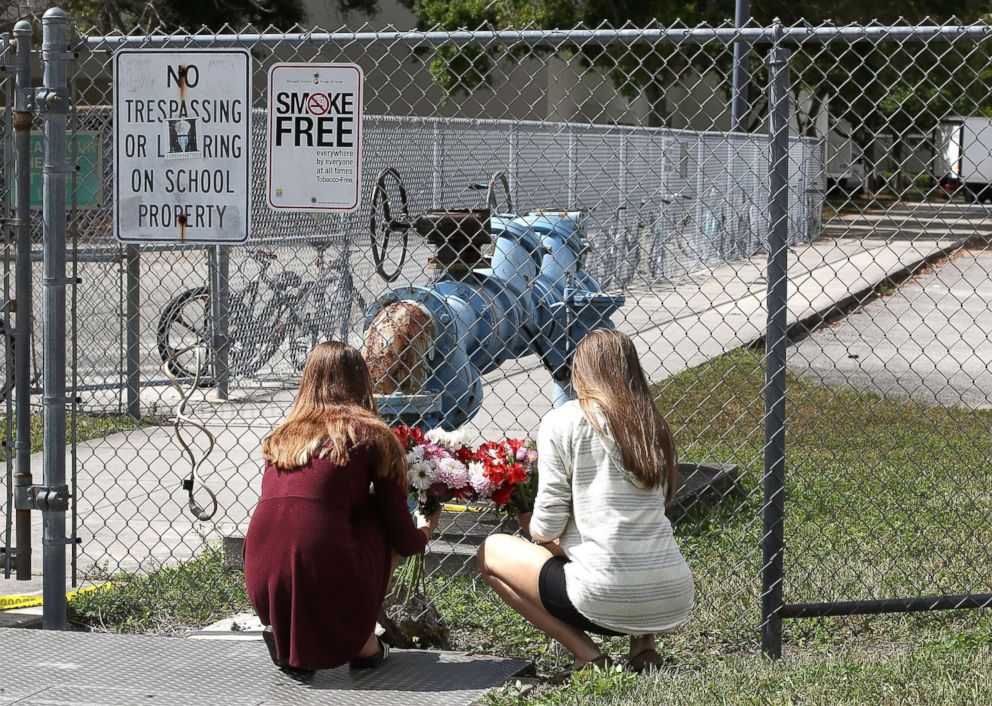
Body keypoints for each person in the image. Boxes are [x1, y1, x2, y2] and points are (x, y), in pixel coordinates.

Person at [477, 328, 694, 676]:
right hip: (671, 592)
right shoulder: (652, 424)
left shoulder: (563, 421)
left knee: (490, 553)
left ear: (581, 371)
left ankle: (588, 656)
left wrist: (529, 522)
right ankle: (643, 648)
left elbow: (546, 526)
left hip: (604, 597)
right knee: (632, 529)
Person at [244, 341, 440, 676]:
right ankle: (361, 639)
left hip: (262, 579)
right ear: (362, 380)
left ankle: (287, 633)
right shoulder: (370, 433)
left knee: (313, 519)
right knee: (375, 512)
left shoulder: (282, 437)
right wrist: (426, 527)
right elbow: (402, 538)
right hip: (328, 571)